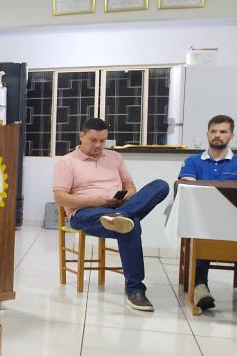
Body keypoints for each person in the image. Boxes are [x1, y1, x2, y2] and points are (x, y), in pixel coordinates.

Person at [52, 118, 168, 312]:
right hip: (86, 212)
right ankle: (135, 291)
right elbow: (60, 198)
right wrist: (97, 201)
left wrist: (124, 198)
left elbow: (131, 188)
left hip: (116, 207)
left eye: (103, 141)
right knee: (130, 226)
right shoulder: (67, 162)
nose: (98, 145)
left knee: (160, 186)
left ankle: (121, 214)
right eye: (93, 140)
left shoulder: (114, 157)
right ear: (81, 136)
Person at [178, 114, 237, 310]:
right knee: (201, 229)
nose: (217, 135)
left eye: (223, 131)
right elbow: (188, 190)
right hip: (201, 220)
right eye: (214, 131)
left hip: (233, 220)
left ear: (231, 135)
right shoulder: (193, 161)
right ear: (207, 134)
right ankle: (200, 287)